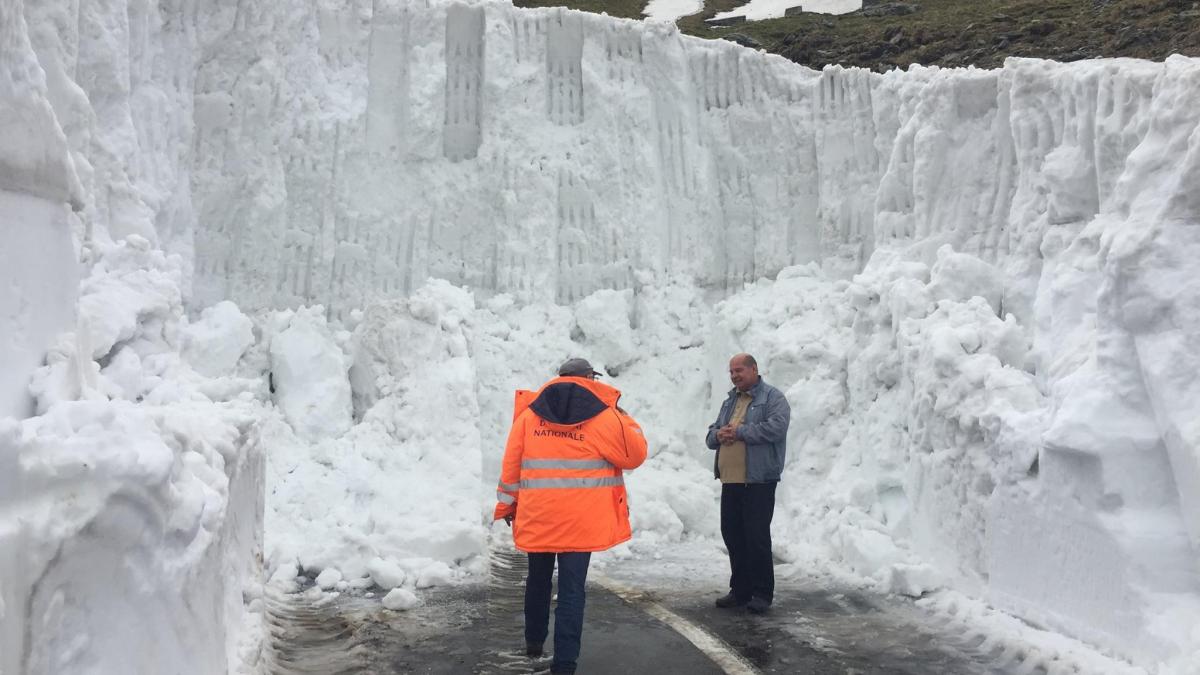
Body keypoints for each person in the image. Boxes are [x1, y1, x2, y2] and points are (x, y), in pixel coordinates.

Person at [493, 357, 648, 675]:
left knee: (537, 580)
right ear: (590, 378)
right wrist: (622, 414)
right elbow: (635, 454)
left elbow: (512, 464)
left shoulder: (530, 415)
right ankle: (565, 665)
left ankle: (534, 643)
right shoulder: (604, 416)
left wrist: (509, 505)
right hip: (582, 520)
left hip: (539, 515)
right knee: (571, 590)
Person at [705, 353, 791, 614]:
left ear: (754, 369)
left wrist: (739, 432)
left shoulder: (773, 398)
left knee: (756, 537)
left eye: (739, 370)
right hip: (731, 481)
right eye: (731, 372)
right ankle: (740, 590)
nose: (734, 376)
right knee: (733, 535)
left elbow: (777, 428)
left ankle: (762, 593)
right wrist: (719, 434)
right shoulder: (730, 401)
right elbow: (711, 435)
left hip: (758, 480)